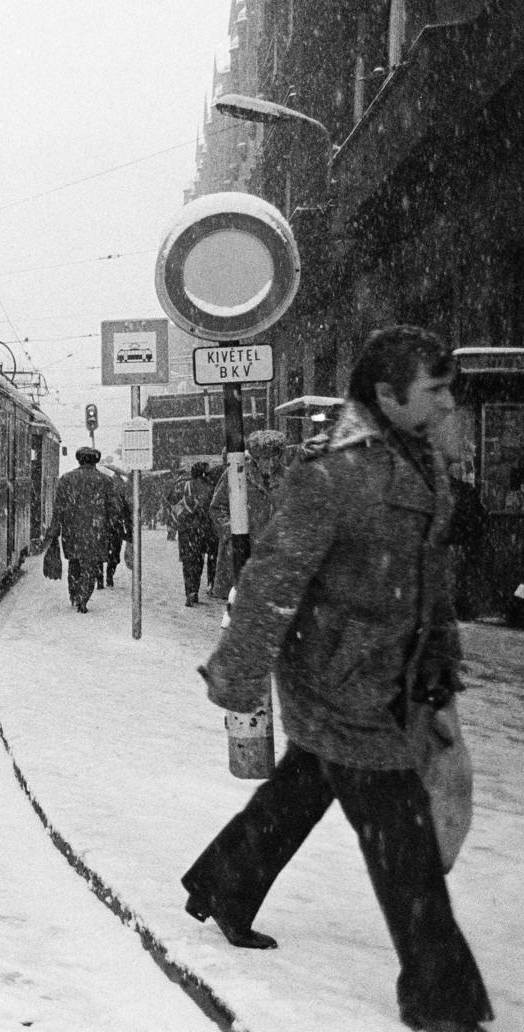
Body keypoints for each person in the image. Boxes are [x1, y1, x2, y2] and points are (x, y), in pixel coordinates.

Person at [180, 326, 491, 1032]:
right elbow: (272, 579)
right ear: (387, 395)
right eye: (434, 390)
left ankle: (225, 886)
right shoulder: (332, 475)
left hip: (391, 677)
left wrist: (439, 658)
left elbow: (430, 573)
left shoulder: (423, 462)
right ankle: (446, 1003)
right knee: (404, 841)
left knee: (299, 791)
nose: (446, 402)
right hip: (339, 681)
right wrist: (237, 673)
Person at [208, 428, 289, 602]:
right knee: (240, 607)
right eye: (266, 458)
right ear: (256, 457)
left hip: (275, 555)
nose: (271, 462)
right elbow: (217, 507)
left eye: (275, 456)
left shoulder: (289, 477)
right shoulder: (237, 474)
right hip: (242, 553)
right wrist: (232, 533)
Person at [40, 446, 123, 613]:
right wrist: (110, 525)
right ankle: (84, 598)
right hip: (96, 531)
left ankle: (75, 594)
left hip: (72, 531)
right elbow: (115, 509)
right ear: (95, 461)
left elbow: (59, 508)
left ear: (79, 460)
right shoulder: (106, 481)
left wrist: (54, 530)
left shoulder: (66, 479)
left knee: (75, 562)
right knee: (90, 565)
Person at [164, 461, 217, 606]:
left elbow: (169, 499)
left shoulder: (183, 486)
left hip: (187, 529)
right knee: (199, 561)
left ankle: (190, 590)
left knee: (188, 562)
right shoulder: (211, 488)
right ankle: (196, 589)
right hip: (205, 529)